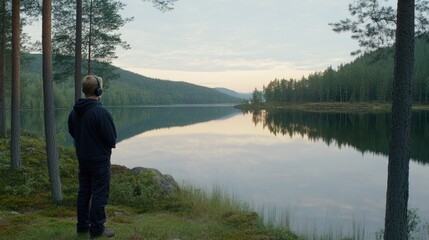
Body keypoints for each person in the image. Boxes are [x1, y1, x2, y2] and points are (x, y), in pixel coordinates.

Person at [68, 75, 117, 238]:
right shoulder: (101, 112)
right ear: (98, 90)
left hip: (83, 159)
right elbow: (111, 140)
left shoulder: (74, 112)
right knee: (99, 194)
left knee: (84, 192)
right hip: (99, 161)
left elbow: (72, 132)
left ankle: (82, 227)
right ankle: (97, 230)